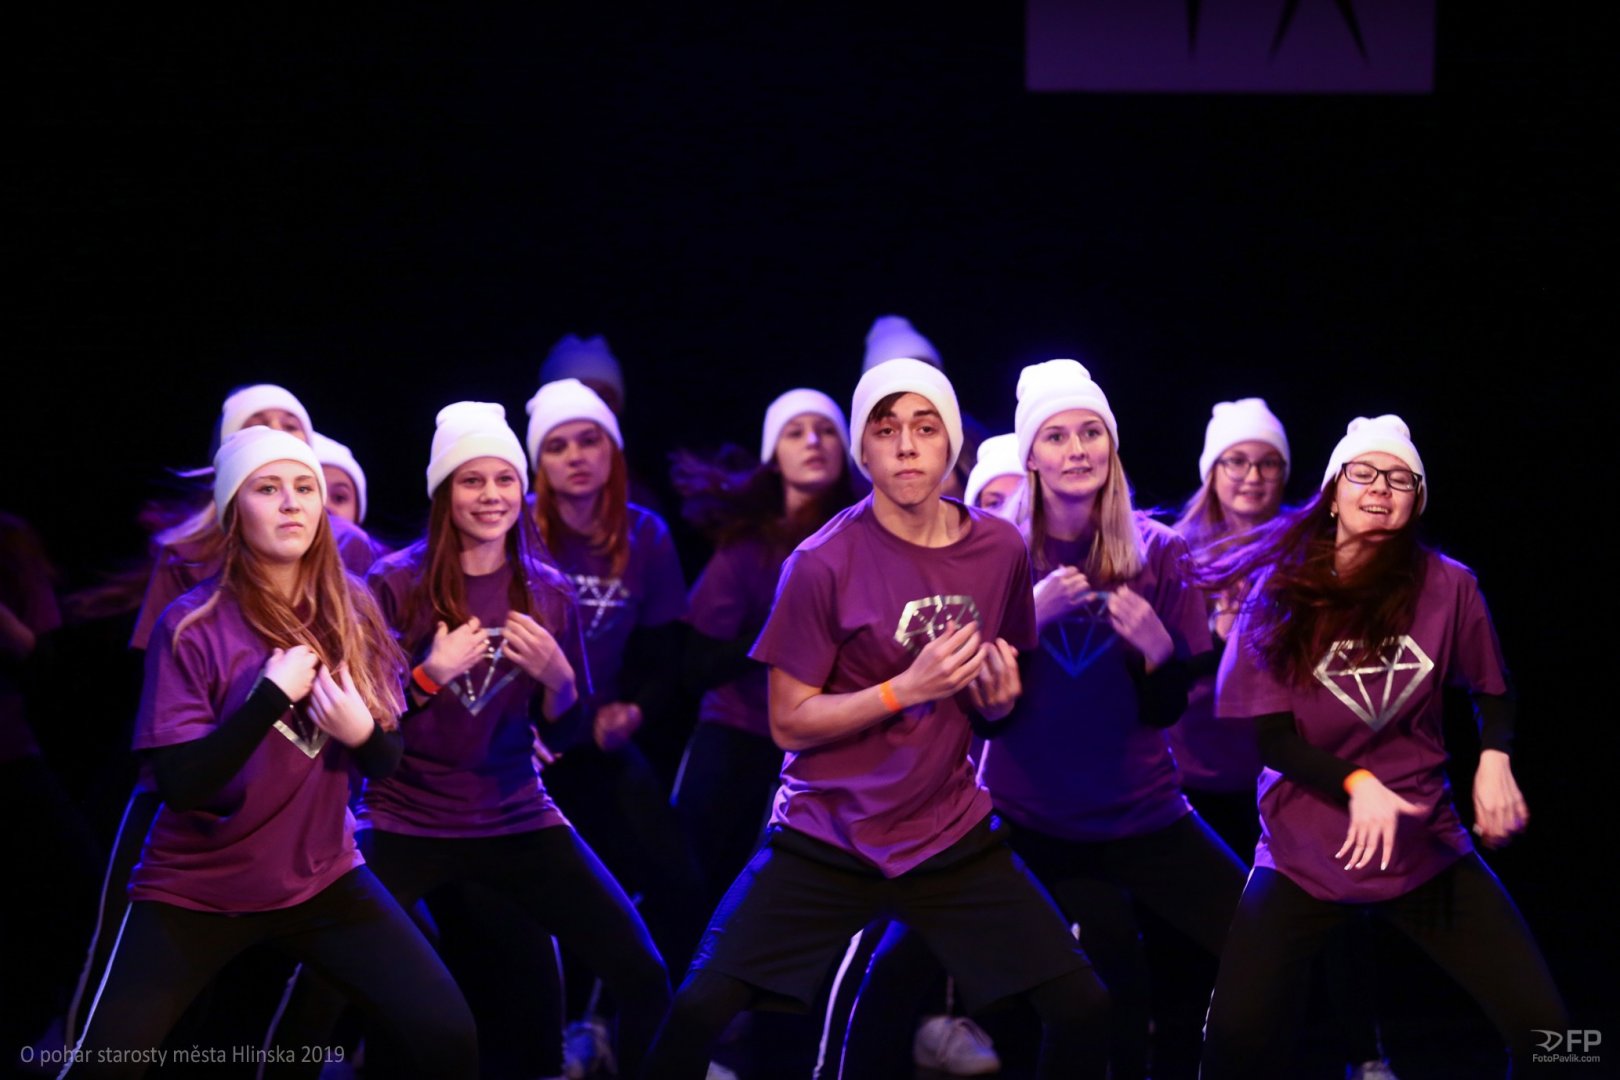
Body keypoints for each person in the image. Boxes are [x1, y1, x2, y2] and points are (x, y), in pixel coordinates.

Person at [642, 358, 1110, 1080]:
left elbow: (993, 700)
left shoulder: (999, 549)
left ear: (951, 442)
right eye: (886, 430)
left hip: (946, 832)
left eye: (925, 428)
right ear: (863, 449)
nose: (907, 446)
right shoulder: (820, 561)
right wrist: (905, 688)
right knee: (700, 1008)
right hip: (827, 831)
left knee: (1082, 1006)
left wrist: (995, 702)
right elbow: (789, 722)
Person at [844, 360, 1243, 1080]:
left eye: (1092, 432)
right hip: (1021, 814)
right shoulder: (988, 551)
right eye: (1056, 436)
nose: (1077, 449)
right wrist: (1030, 615)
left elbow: (1163, 712)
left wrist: (1158, 652)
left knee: (1260, 943)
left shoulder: (1158, 551)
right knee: (904, 957)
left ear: (1111, 446)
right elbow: (983, 715)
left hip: (1141, 813)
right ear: (1030, 455)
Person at [63, 426, 475, 1078]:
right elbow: (183, 786)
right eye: (268, 489)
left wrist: (362, 734)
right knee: (103, 1066)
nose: (291, 503)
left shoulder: (353, 611)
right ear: (234, 511)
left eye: (305, 488)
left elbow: (386, 758)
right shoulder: (193, 624)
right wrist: (268, 698)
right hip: (196, 890)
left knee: (448, 1034)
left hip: (322, 880)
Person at [277, 402, 671, 1078]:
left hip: (515, 812)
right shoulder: (394, 582)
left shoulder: (547, 591)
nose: (490, 495)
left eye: (504, 479)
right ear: (444, 491)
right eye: (471, 480)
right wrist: (429, 675)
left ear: (522, 488)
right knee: (320, 987)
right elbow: (365, 725)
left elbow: (565, 729)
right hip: (405, 817)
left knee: (645, 974)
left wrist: (559, 679)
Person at [1200, 415, 1568, 1077]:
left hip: (1421, 844)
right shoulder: (1280, 590)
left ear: (1417, 502)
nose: (1380, 487)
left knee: (1555, 1037)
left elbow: (1493, 689)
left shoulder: (1449, 586)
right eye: (1363, 473)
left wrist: (1495, 757)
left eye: (1401, 479)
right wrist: (1357, 783)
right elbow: (1273, 740)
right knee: (1233, 1035)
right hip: (1304, 854)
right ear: (1332, 494)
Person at [671, 387, 860, 909]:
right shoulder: (746, 548)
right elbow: (697, 666)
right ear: (773, 456)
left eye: (826, 431)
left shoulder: (866, 538)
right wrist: (783, 636)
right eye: (795, 433)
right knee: (699, 875)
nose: (813, 442)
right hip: (740, 727)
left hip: (829, 735)